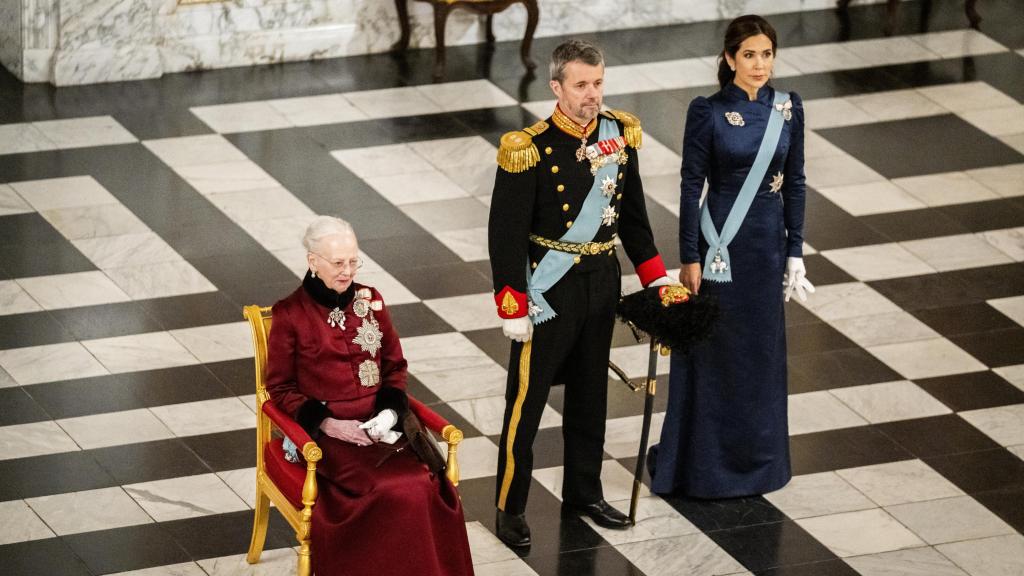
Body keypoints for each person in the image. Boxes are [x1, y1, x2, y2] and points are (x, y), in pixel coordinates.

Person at [488, 39, 674, 547]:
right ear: (557, 87)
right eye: (581, 85)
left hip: (601, 281)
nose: (592, 95)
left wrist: (655, 277)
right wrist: (513, 303)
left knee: (591, 394)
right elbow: (504, 235)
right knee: (526, 403)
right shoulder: (528, 148)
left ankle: (584, 494)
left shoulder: (619, 134)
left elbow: (632, 216)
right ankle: (509, 506)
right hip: (549, 288)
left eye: (598, 83)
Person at [649, 15, 814, 499]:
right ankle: (704, 465)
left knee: (759, 355)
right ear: (729, 59)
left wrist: (795, 250)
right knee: (715, 353)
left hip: (765, 249)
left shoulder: (789, 109)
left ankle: (758, 464)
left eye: (766, 54)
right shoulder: (709, 111)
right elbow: (689, 184)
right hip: (719, 246)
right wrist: (689, 255)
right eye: (748, 55)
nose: (759, 64)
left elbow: (797, 181)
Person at [265, 216, 474, 576]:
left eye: (353, 261)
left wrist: (391, 414)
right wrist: (329, 425)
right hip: (329, 436)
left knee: (426, 483)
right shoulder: (290, 314)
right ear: (313, 261)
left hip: (383, 426)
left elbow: (395, 366)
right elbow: (280, 388)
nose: (347, 272)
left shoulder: (371, 300)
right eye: (338, 263)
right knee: (388, 489)